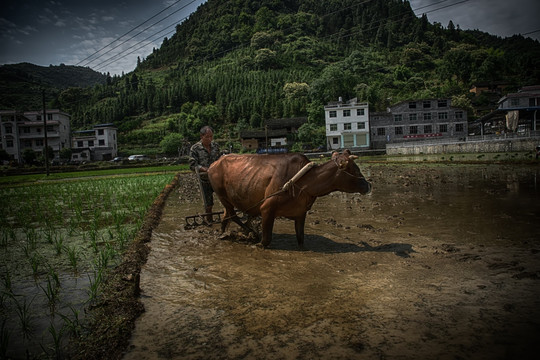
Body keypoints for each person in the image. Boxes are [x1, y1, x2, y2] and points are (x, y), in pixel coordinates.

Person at [189, 126, 221, 218]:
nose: (210, 139)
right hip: (205, 179)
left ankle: (228, 216)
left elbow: (220, 160)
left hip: (217, 178)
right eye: (207, 137)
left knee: (226, 198)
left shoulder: (216, 146)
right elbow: (192, 165)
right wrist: (206, 169)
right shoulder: (195, 148)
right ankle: (209, 219)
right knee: (208, 203)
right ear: (201, 136)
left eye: (211, 136)